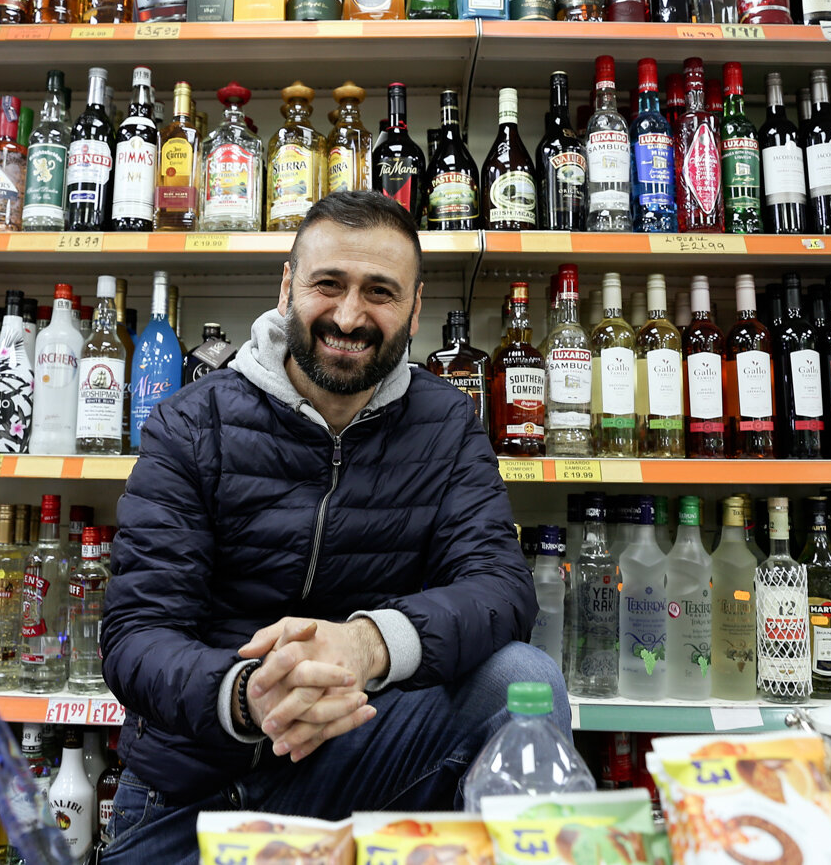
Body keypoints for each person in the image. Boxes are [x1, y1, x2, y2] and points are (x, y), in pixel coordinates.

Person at [99, 191, 564, 861]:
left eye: (380, 291)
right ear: (288, 285)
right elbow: (135, 635)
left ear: (415, 304)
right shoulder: (191, 422)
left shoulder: (447, 425)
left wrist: (370, 642)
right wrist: (247, 695)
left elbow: (501, 586)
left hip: (364, 754)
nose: (350, 315)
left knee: (522, 677)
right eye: (328, 284)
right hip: (199, 790)